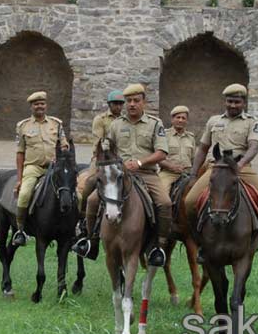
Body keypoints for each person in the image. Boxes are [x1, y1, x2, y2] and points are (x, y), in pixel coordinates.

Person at [183, 83, 258, 263]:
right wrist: (193, 174)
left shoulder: (251, 122)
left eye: (237, 102)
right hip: (216, 168)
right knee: (190, 201)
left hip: (241, 168)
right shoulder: (213, 121)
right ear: (225, 101)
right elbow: (202, 148)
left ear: (243, 103)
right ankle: (200, 243)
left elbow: (254, 146)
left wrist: (240, 164)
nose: (233, 105)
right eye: (230, 101)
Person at [72, 83, 171, 266]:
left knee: (164, 203)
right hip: (119, 174)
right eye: (129, 101)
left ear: (144, 102)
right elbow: (107, 150)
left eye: (136, 100)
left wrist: (140, 162)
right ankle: (89, 240)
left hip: (146, 173)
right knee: (93, 200)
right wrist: (112, 163)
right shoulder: (116, 125)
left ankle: (159, 247)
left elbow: (162, 153)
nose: (132, 104)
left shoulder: (155, 124)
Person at [12, 91, 69, 247]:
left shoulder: (56, 124)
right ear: (31, 107)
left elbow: (64, 145)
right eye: (36, 104)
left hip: (55, 168)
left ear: (46, 105)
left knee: (74, 192)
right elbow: (20, 153)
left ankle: (75, 229)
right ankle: (20, 230)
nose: (39, 106)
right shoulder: (23, 126)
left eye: (42, 103)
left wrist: (61, 154)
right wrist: (19, 179)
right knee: (24, 194)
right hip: (33, 167)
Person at [77, 90, 125, 209]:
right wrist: (105, 156)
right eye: (115, 103)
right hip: (102, 157)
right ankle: (83, 213)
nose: (118, 106)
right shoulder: (100, 119)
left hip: (122, 158)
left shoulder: (125, 120)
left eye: (120, 103)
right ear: (109, 104)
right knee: (90, 182)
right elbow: (99, 142)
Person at [158, 105, 196, 191]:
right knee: (163, 196)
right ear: (172, 119)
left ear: (187, 121)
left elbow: (194, 159)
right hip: (168, 173)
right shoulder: (164, 135)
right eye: (178, 117)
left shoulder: (191, 137)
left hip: (187, 174)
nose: (180, 120)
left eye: (183, 118)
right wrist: (171, 166)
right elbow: (158, 158)